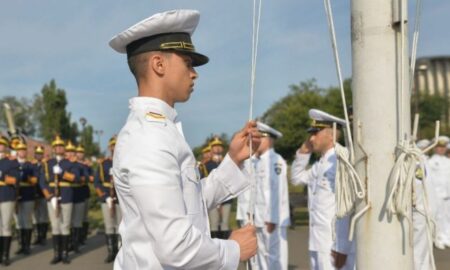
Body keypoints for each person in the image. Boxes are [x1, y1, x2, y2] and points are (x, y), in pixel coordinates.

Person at [109, 9, 258, 269]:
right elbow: (175, 246)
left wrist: (233, 160)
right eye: (187, 63)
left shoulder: (161, 129)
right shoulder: (149, 138)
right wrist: (233, 249)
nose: (194, 73)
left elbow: (190, 203)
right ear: (158, 64)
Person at [291, 109, 355, 270]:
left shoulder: (341, 160)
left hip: (333, 244)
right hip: (318, 241)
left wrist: (342, 247)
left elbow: (347, 206)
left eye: (315, 133)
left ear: (331, 134)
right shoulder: (320, 164)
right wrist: (302, 154)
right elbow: (296, 178)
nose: (311, 138)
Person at [252, 122, 290, 270]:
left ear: (267, 139)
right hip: (260, 218)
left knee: (274, 257)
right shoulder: (259, 161)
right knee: (261, 256)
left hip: (272, 219)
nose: (254, 142)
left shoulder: (275, 161)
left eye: (258, 138)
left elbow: (277, 191)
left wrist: (272, 218)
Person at [39, 136, 81, 264]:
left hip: (67, 196)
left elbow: (75, 178)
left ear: (64, 149)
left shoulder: (70, 162)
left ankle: (65, 254)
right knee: (55, 226)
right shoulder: (47, 163)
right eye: (56, 146)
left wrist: (62, 173)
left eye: (61, 146)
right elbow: (42, 181)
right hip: (52, 197)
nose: (59, 148)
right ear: (53, 148)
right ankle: (56, 254)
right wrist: (49, 196)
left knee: (65, 225)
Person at [94, 135, 121, 263]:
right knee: (109, 226)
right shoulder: (103, 164)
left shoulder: (125, 161)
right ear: (110, 147)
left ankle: (122, 253)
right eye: (113, 145)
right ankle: (112, 251)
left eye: (117, 145)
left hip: (121, 199)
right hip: (107, 199)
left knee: (121, 226)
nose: (115, 147)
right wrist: (105, 197)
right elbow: (97, 182)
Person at [10, 139, 37, 256]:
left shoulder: (31, 165)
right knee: (17, 221)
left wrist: (25, 177)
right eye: (19, 150)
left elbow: (35, 180)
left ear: (26, 152)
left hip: (27, 193)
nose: (21, 152)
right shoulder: (12, 164)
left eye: (23, 150)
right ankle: (21, 245)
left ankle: (27, 246)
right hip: (14, 194)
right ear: (16, 152)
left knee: (26, 220)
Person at [426, 136, 450, 249]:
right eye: (439, 146)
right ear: (434, 148)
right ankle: (438, 238)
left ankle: (447, 237)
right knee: (437, 217)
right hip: (436, 195)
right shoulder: (430, 162)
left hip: (447, 195)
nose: (441, 149)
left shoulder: (448, 161)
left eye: (443, 147)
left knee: (447, 217)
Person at [0, 135, 15, 265]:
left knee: (6, 226)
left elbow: (15, 179)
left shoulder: (10, 162)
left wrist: (3, 177)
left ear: (5, 147)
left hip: (6, 195)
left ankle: (5, 255)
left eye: (1, 145)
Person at [32, 145, 49, 246]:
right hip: (34, 193)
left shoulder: (45, 165)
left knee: (43, 216)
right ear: (34, 154)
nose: (38, 155)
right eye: (37, 154)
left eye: (40, 154)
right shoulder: (32, 164)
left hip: (44, 193)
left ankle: (43, 237)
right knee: (35, 216)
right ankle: (37, 237)